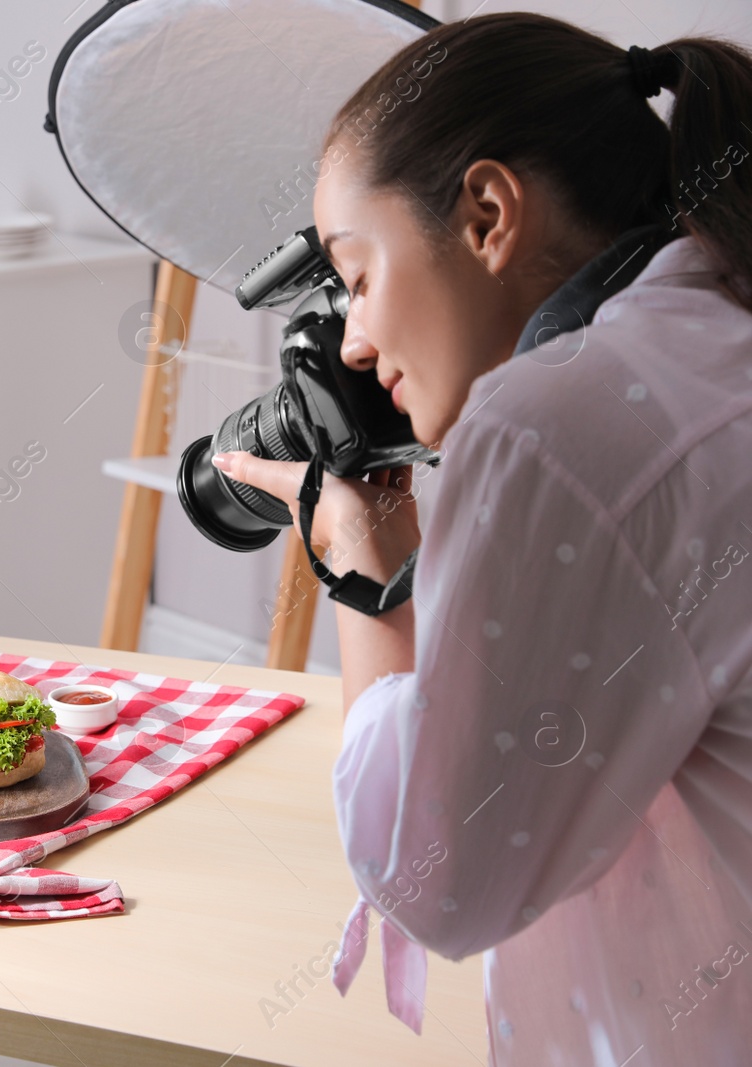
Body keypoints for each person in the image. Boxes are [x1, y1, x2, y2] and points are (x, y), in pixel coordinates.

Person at [214, 13, 752, 1065]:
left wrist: (359, 547)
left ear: (488, 212)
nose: (355, 343)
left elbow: (439, 883)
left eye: (357, 277)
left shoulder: (567, 423)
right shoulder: (712, 335)